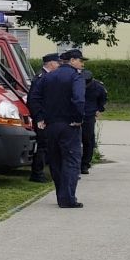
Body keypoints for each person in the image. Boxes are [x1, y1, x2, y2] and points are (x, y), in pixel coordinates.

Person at [39, 47, 86, 208]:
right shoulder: (76, 77)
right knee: (71, 161)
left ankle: (61, 194)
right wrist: (78, 118)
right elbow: (79, 99)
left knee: (56, 161)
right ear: (72, 61)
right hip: (69, 125)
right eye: (80, 61)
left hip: (51, 125)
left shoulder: (48, 76)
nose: (82, 64)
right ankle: (68, 198)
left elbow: (36, 96)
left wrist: (40, 117)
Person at [25, 53, 60, 183]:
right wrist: (39, 118)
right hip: (42, 118)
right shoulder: (41, 78)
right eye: (57, 63)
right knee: (42, 145)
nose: (59, 65)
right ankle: (37, 173)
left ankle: (43, 171)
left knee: (47, 144)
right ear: (51, 64)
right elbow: (33, 100)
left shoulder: (47, 77)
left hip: (47, 117)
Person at [80, 62, 108, 174]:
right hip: (74, 114)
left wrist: (99, 109)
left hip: (89, 116)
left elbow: (103, 99)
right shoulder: (75, 83)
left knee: (88, 140)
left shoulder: (98, 87)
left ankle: (85, 164)